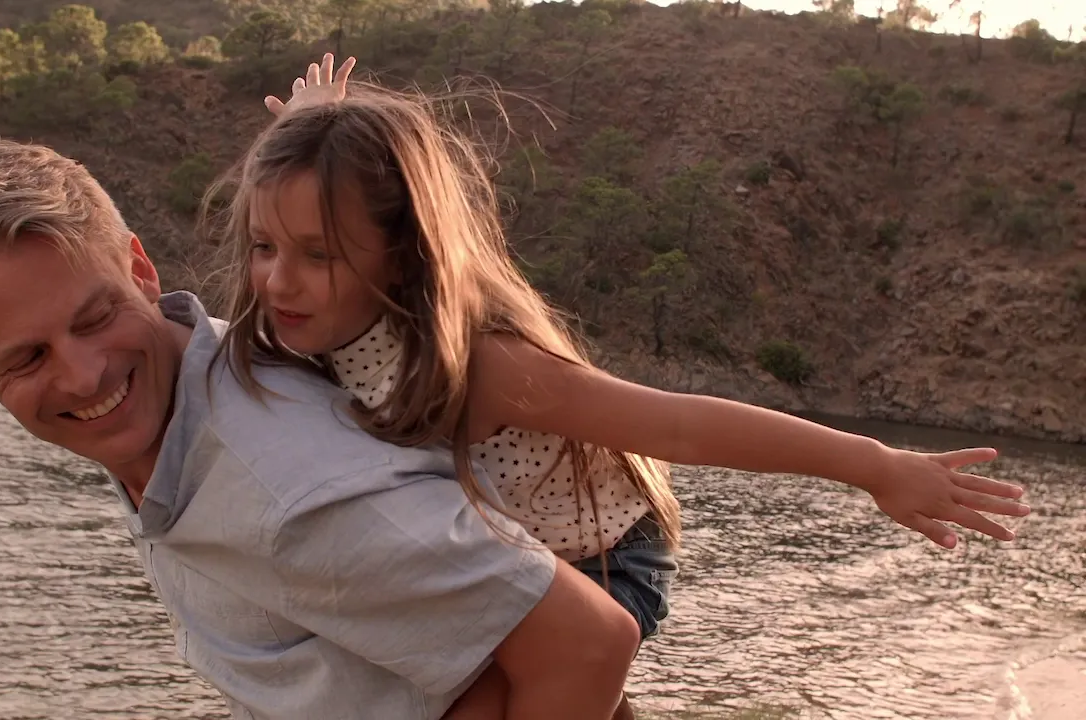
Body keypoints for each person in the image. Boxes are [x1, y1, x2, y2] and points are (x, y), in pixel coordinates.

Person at [204, 53, 1034, 718]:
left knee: (480, 693)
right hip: (512, 553)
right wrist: (314, 123)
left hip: (607, 563)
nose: (279, 282)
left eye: (319, 256)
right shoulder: (301, 333)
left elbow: (679, 426)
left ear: (402, 250)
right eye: (264, 247)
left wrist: (876, 466)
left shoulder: (485, 365)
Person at [0, 139, 643, 720]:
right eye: (29, 355)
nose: (83, 376)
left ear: (141, 270)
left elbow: (589, 642)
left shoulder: (295, 490)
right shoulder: (174, 408)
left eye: (95, 316)